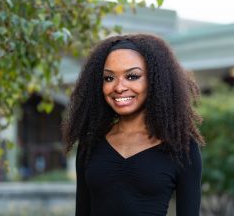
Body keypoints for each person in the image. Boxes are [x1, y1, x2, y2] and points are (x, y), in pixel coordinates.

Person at [62, 33, 205, 216]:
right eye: (109, 78)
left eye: (132, 76)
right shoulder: (90, 144)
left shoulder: (181, 147)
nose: (119, 87)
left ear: (155, 80)